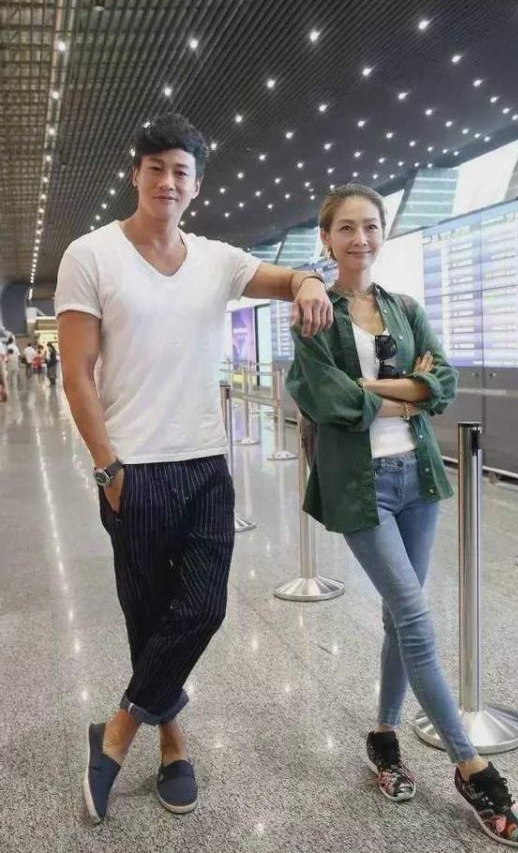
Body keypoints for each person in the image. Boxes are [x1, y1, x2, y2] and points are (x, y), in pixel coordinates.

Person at [55, 112, 332, 824]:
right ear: (136, 174)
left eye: (181, 171)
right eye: (156, 168)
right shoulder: (91, 254)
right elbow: (77, 374)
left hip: (207, 464)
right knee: (148, 615)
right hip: (134, 468)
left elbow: (285, 277)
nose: (168, 181)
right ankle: (173, 743)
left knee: (204, 607)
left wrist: (308, 281)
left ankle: (118, 729)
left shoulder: (217, 259)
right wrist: (108, 469)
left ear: (197, 185)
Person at [286, 184, 518, 848]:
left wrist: (369, 388)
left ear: (382, 233)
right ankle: (472, 768)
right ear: (327, 239)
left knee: (400, 619)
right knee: (417, 619)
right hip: (359, 486)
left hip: (417, 478)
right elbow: (325, 399)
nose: (360, 238)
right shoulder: (315, 313)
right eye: (346, 228)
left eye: (370, 226)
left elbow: (443, 384)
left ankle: (383, 736)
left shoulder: (406, 309)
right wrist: (403, 394)